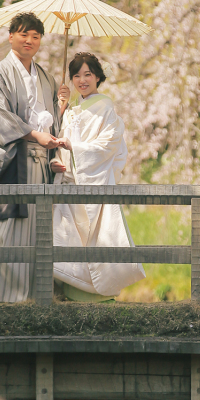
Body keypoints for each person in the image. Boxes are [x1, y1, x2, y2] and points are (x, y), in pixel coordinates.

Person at [0, 12, 63, 302]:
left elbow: (52, 122)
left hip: (43, 162)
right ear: (11, 36)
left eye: (35, 36)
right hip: (14, 160)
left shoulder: (46, 78)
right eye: (24, 34)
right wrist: (34, 135)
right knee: (11, 226)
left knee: (40, 228)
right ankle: (6, 298)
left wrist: (60, 107)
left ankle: (36, 297)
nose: (29, 41)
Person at [50, 51, 145, 301]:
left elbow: (108, 146)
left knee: (93, 236)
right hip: (70, 184)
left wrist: (75, 148)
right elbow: (58, 142)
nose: (82, 80)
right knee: (70, 237)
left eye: (88, 75)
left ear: (98, 77)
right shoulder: (72, 110)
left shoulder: (105, 108)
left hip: (93, 179)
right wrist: (56, 160)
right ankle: (71, 291)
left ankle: (95, 294)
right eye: (76, 76)